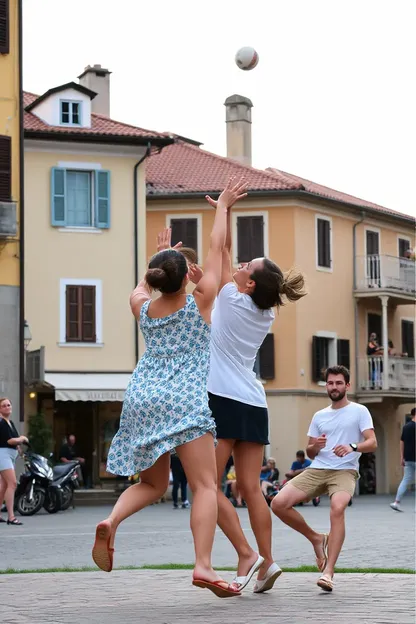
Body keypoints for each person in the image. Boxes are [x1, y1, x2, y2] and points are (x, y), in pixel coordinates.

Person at [92, 177, 248, 599]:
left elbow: (142, 285)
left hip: (143, 397)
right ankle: (203, 565)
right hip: (184, 400)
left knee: (153, 484)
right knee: (203, 486)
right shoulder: (200, 303)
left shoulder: (142, 307)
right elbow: (216, 249)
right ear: (186, 280)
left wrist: (160, 256)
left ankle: (112, 521)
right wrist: (223, 207)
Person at [196, 190, 308, 595]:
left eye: (247, 266)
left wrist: (224, 209)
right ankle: (267, 561)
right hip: (254, 403)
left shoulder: (229, 297)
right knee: (249, 488)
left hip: (222, 399)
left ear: (250, 282)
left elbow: (218, 248)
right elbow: (227, 253)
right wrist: (227, 210)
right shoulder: (265, 309)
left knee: (206, 484)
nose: (240, 265)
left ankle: (248, 554)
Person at [271, 365, 377, 592]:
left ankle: (329, 572)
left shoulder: (359, 411)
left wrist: (352, 446)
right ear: (326, 386)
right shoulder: (319, 415)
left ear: (347, 385)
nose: (334, 387)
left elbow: (372, 442)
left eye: (339, 383)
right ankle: (316, 538)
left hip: (344, 471)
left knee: (337, 507)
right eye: (330, 383)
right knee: (278, 504)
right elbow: (309, 452)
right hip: (317, 469)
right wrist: (314, 446)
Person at [0, 398, 28, 525]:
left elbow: (14, 441)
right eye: (4, 406)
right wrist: (22, 438)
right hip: (3, 454)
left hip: (10, 455)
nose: (7, 407)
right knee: (12, 484)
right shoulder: (1, 422)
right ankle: (11, 517)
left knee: (4, 485)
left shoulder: (10, 422)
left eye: (8, 405)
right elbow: (10, 441)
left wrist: (20, 449)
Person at [390, 407, 416, 512]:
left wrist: (402, 457)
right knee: (406, 480)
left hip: (408, 458)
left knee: (405, 480)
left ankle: (396, 502)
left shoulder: (406, 427)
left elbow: (402, 442)